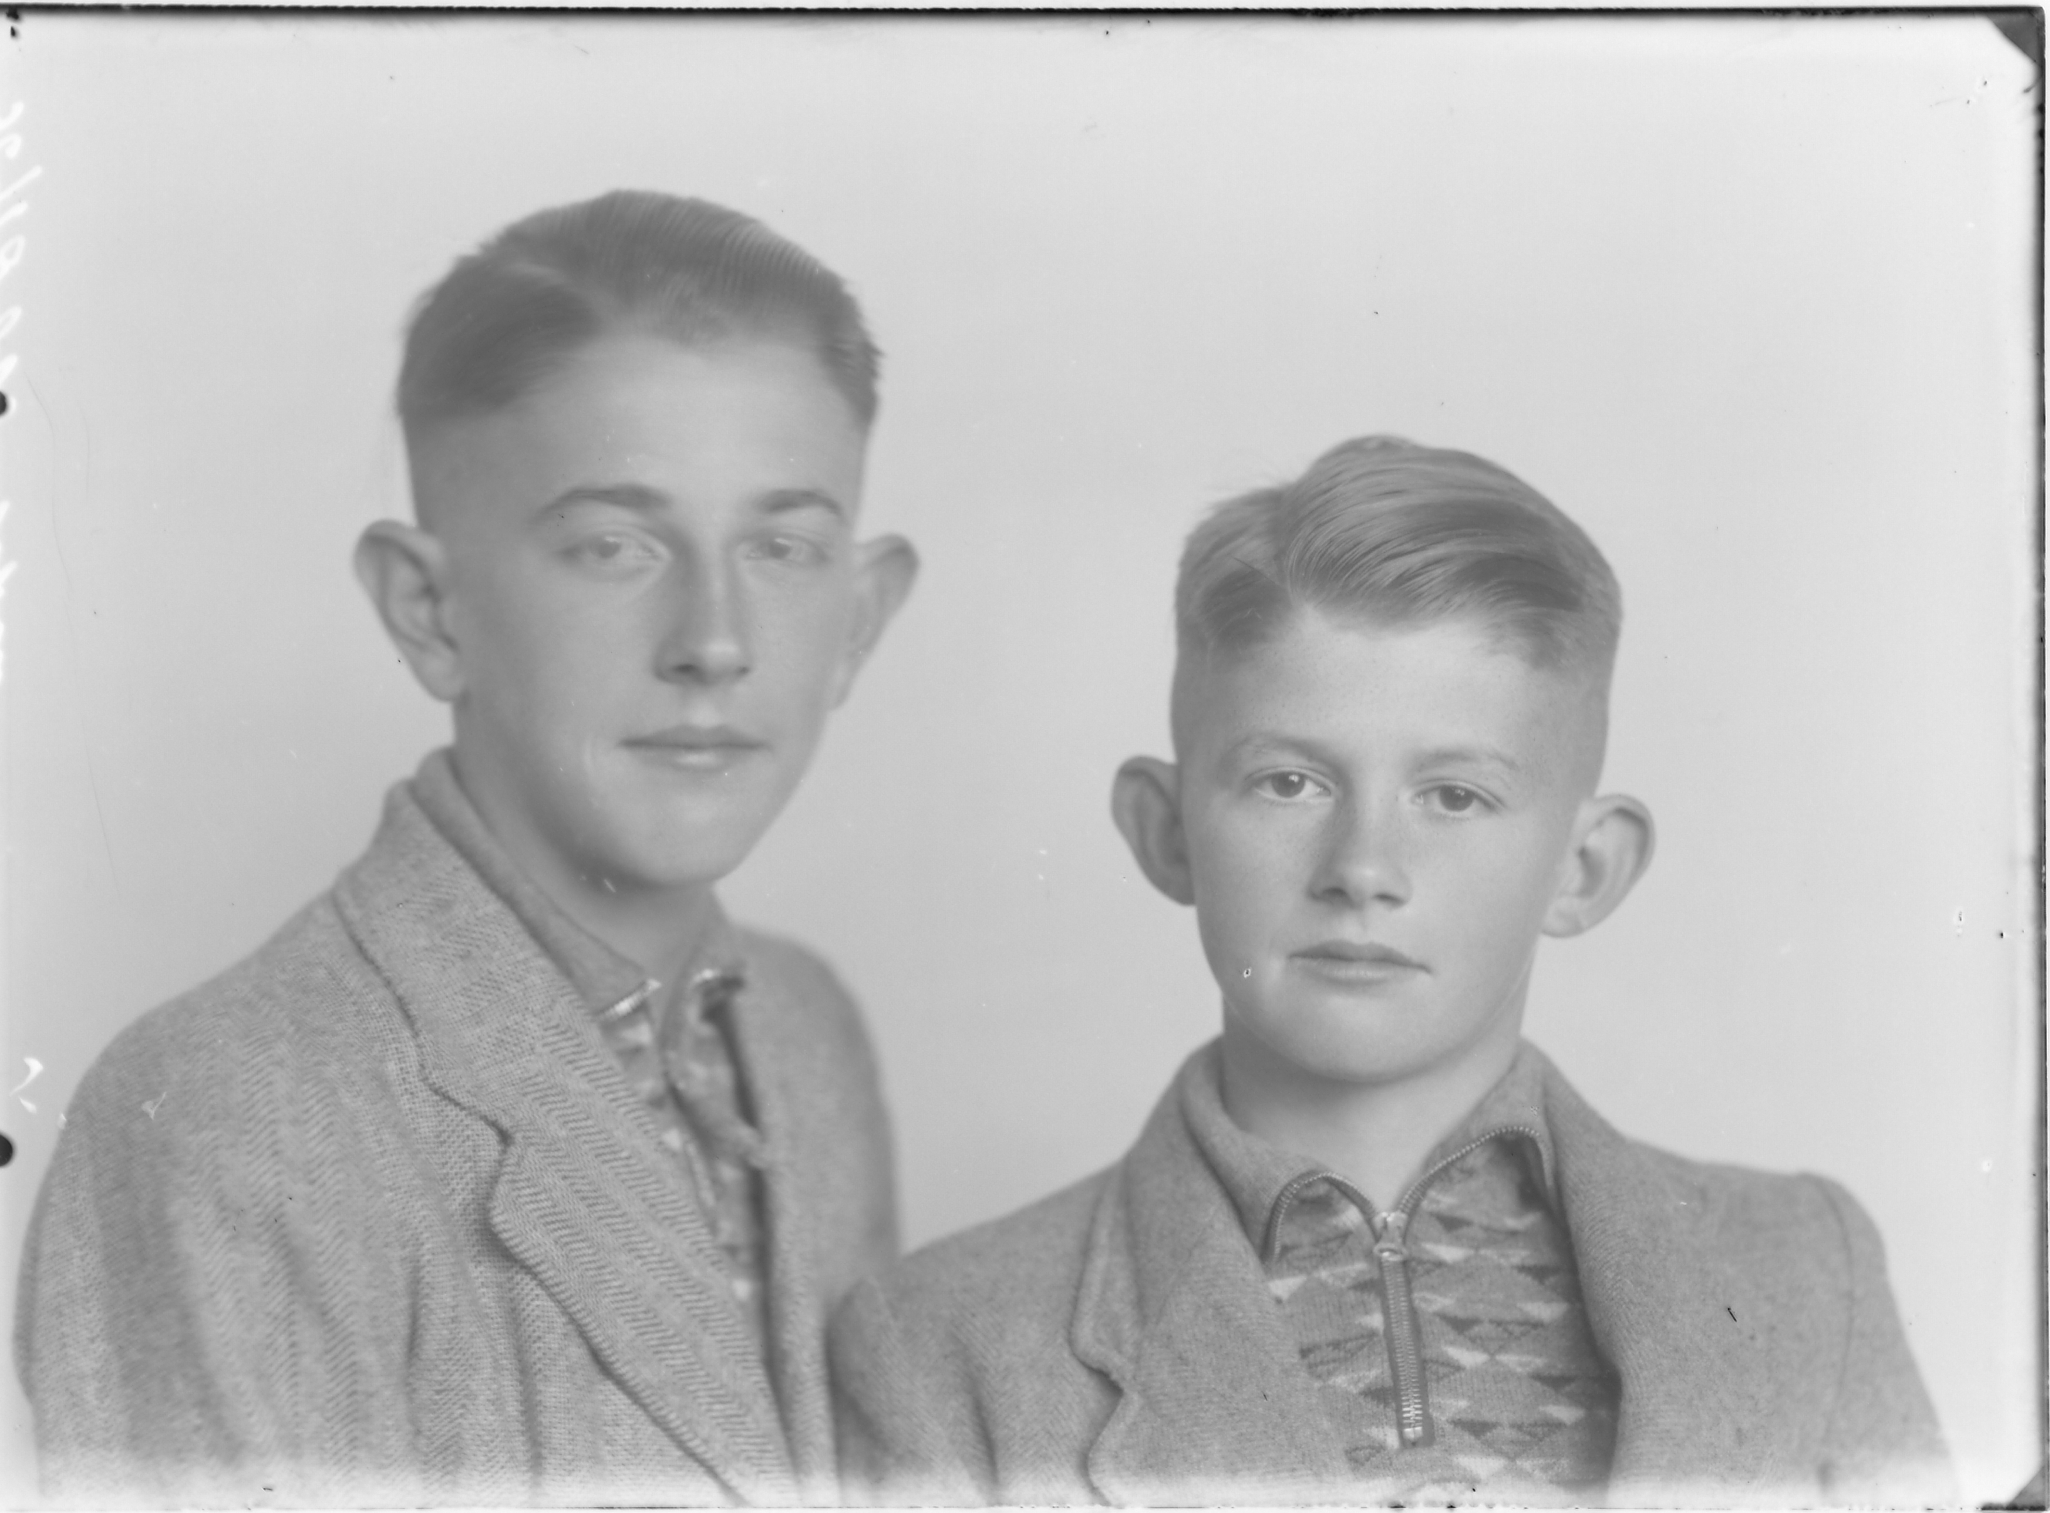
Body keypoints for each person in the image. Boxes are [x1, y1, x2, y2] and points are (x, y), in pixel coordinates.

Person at [829, 435, 1950, 1507]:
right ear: (1165, 832)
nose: (1362, 868)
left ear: (1585, 868)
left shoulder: (1809, 1276)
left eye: (1453, 795)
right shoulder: (943, 1348)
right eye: (1289, 783)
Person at [15, 190, 917, 1506]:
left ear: (859, 621)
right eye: (614, 546)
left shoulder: (806, 1029)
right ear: (429, 612)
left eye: (781, 546)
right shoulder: (222, 1125)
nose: (715, 639)